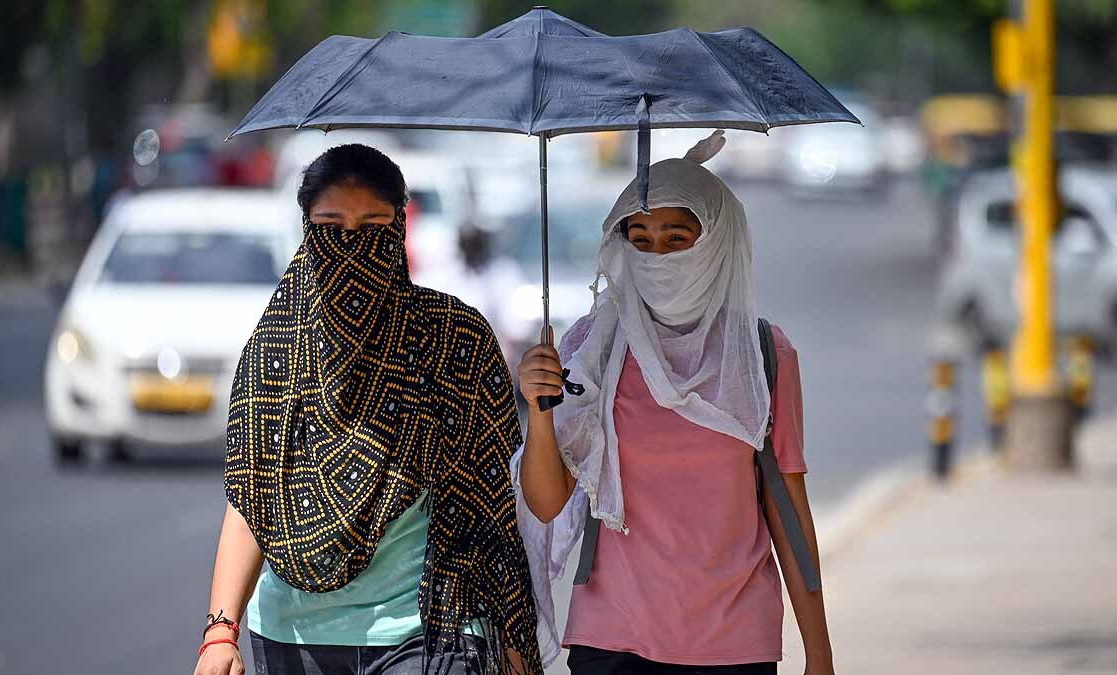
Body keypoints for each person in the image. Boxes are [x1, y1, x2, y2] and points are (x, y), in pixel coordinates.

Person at [193, 144, 542, 675]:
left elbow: (493, 507)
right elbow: (249, 500)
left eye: (373, 225)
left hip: (427, 634)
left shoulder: (452, 339)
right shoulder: (277, 350)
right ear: (307, 231)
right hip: (290, 638)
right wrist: (220, 634)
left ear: (399, 228)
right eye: (333, 225)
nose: (352, 247)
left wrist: (512, 647)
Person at [512, 132, 834, 674]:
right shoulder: (592, 351)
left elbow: (789, 511)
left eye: (676, 238)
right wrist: (540, 411)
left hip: (734, 641)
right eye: (639, 238)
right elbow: (546, 504)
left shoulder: (762, 355)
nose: (656, 256)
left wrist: (819, 652)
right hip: (614, 638)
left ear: (713, 243)